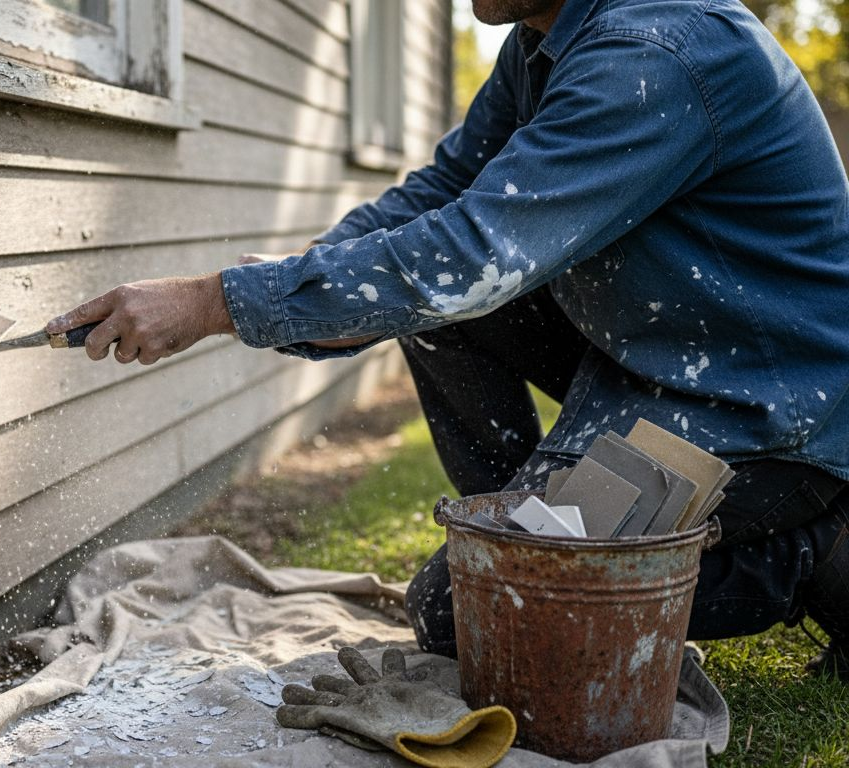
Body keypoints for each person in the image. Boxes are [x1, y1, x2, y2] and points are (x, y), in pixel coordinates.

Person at [45, 0, 849, 679]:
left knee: (463, 616)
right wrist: (308, 271)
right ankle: (520, 532)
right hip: (653, 355)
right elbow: (442, 194)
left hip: (764, 408)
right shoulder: (541, 43)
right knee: (432, 329)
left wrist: (214, 301)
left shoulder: (655, 55)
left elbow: (470, 256)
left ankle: (821, 552)